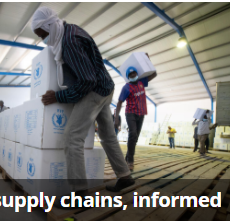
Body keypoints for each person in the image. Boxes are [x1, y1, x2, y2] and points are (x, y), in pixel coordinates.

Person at [31, 7, 133, 195]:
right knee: (108, 136)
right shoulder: (70, 30)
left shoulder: (69, 42)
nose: (42, 39)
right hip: (106, 87)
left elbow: (87, 80)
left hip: (94, 91)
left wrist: (58, 96)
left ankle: (80, 193)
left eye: (42, 34)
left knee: (72, 138)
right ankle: (125, 177)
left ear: (49, 26)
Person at [114, 62, 157, 169]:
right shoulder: (126, 87)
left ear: (137, 74)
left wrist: (147, 60)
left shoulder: (142, 82)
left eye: (134, 74)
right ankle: (131, 161)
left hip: (141, 113)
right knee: (133, 134)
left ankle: (127, 157)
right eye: (131, 75)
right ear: (128, 77)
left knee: (135, 138)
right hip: (130, 113)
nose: (133, 76)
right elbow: (119, 102)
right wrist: (116, 118)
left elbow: (154, 74)